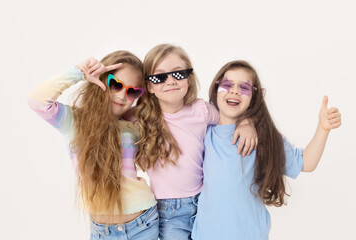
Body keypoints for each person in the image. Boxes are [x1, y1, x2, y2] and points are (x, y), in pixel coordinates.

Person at [191, 60, 342, 240]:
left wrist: (323, 128)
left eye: (244, 87)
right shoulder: (202, 132)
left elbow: (306, 163)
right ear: (216, 89)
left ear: (254, 97)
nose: (234, 91)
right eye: (227, 84)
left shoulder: (262, 136)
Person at [28, 51, 159, 240]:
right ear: (102, 80)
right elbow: (37, 100)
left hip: (143, 224)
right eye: (116, 84)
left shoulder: (133, 125)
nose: (122, 96)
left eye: (132, 91)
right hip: (102, 232)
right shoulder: (75, 121)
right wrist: (80, 72)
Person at [133, 44, 258, 239]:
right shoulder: (140, 119)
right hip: (168, 213)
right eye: (160, 77)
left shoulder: (202, 110)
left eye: (179, 74)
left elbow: (230, 116)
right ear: (149, 86)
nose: (171, 81)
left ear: (189, 79)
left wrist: (247, 122)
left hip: (206, 203)